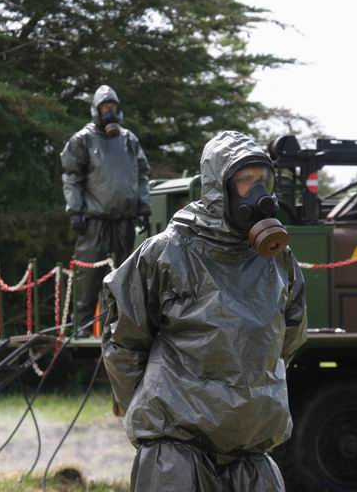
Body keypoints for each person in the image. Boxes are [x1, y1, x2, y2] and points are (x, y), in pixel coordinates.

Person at [101, 130, 307, 491]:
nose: (258, 193)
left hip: (250, 446)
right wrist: (153, 405)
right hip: (177, 450)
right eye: (245, 181)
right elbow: (123, 341)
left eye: (263, 180)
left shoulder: (276, 259)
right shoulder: (168, 252)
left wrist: (251, 385)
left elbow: (287, 337)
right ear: (218, 187)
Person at [60, 85, 150, 328]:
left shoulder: (129, 140)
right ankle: (83, 326)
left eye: (112, 107)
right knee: (88, 276)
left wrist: (143, 207)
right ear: (96, 110)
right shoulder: (83, 139)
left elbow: (142, 175)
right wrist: (75, 210)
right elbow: (72, 177)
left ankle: (123, 327)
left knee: (125, 275)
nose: (109, 112)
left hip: (124, 218)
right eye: (104, 107)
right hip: (93, 220)